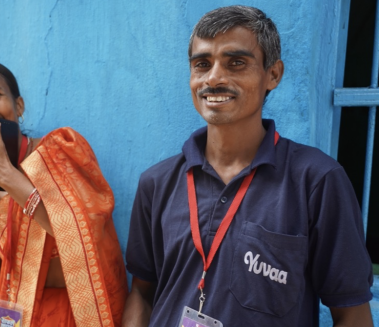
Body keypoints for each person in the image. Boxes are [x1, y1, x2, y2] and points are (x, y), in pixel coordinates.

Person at [122, 5, 374, 327]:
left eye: (236, 63)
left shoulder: (317, 181)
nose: (213, 78)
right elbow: (143, 293)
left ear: (273, 74)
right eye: (202, 64)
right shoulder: (157, 183)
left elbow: (352, 314)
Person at [0, 58, 128, 327]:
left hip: (76, 315)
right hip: (15, 316)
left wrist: (5, 175)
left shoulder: (61, 151)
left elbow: (82, 233)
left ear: (18, 106)